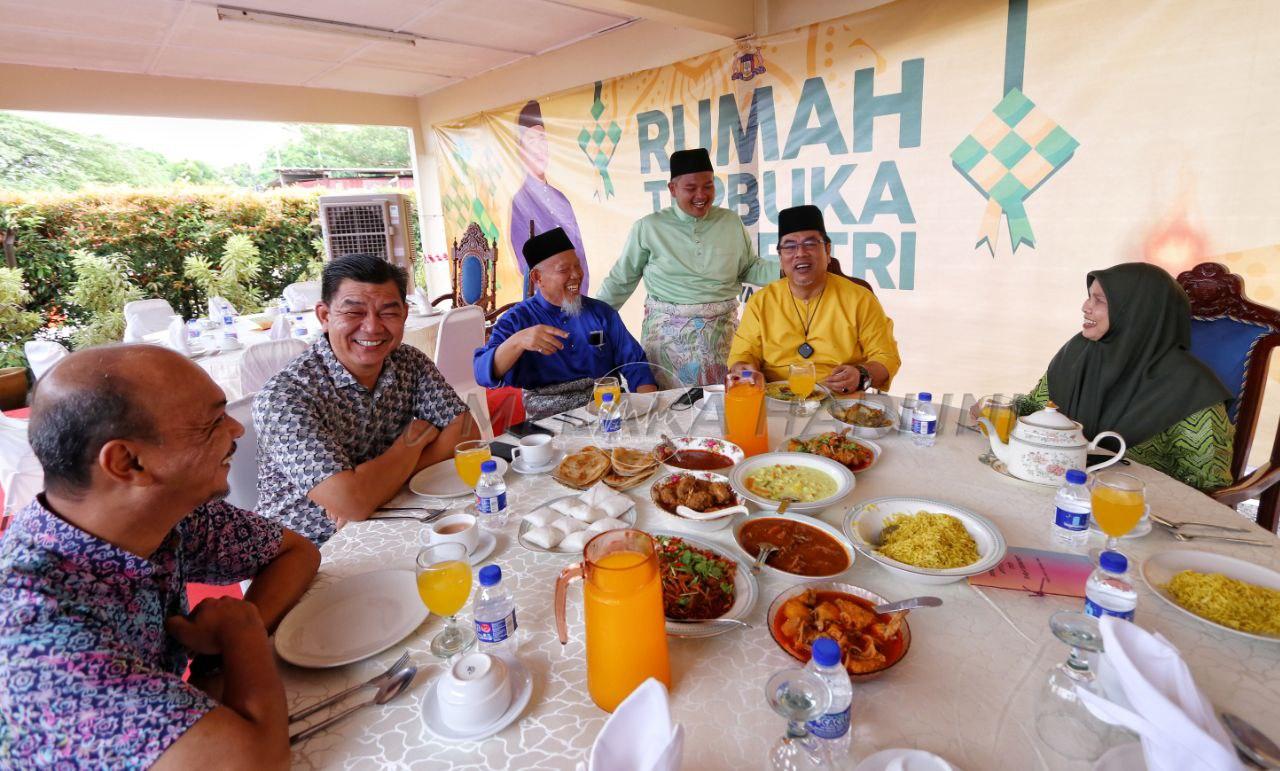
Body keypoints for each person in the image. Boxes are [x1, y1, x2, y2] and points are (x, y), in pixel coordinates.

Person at [0, 344, 319, 768]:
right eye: (212, 422)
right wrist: (241, 632)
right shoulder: (36, 631)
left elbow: (296, 552)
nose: (235, 430)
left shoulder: (167, 511)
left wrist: (224, 659)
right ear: (128, 461)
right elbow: (257, 762)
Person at [254, 253, 478, 546]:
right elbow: (351, 503)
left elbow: (466, 434)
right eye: (354, 312)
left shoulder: (407, 361)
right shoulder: (285, 397)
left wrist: (370, 491)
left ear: (404, 316)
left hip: (397, 517)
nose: (372, 327)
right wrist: (412, 438)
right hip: (308, 549)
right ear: (324, 316)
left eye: (388, 312)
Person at [1005, 262, 1234, 491]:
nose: (1085, 307)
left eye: (1100, 300)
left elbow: (1208, 484)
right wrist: (1002, 413)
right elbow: (1036, 408)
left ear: (1136, 311)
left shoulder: (1190, 386)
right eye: (1089, 297)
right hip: (1058, 493)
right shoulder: (1077, 353)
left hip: (1138, 511)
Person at [596, 147, 780, 388]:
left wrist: (791, 270)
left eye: (708, 186)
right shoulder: (649, 228)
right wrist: (589, 319)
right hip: (669, 343)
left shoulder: (730, 222)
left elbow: (749, 268)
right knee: (673, 413)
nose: (701, 195)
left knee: (724, 411)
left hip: (722, 337)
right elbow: (621, 280)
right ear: (672, 189)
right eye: (691, 188)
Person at [475, 227, 657, 419]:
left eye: (577, 266)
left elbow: (636, 365)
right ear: (538, 278)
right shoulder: (517, 320)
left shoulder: (601, 313)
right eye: (564, 270)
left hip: (606, 414)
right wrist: (518, 341)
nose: (577, 275)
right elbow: (481, 373)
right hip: (547, 423)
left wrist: (647, 410)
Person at [728, 205, 901, 393]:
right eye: (790, 246)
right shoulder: (761, 302)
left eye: (810, 244)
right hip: (776, 399)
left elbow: (887, 356)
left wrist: (862, 374)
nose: (800, 253)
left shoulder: (860, 299)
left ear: (827, 251)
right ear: (780, 257)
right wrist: (743, 367)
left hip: (840, 402)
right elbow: (742, 353)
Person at [510, 99, 590, 294]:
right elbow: (527, 265)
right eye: (532, 142)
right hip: (545, 301)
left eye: (542, 140)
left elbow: (580, 256)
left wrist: (580, 295)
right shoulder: (521, 202)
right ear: (522, 152)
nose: (539, 149)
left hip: (574, 296)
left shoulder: (561, 199)